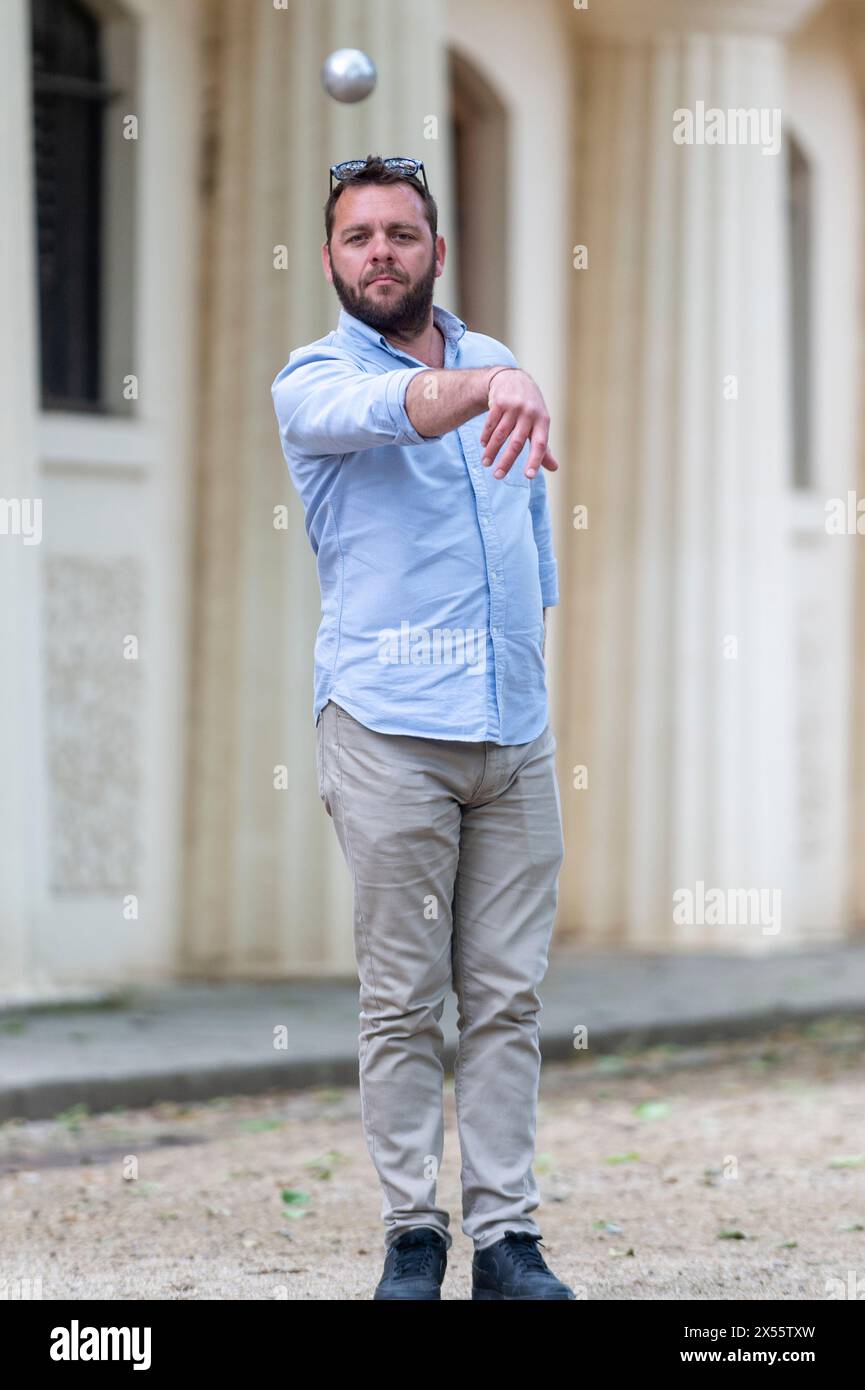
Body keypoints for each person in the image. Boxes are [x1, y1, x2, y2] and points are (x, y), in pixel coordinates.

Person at [271, 155, 573, 1301]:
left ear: (435, 249)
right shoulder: (311, 380)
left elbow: (531, 539)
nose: (382, 252)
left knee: (507, 993)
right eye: (359, 237)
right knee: (403, 996)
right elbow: (395, 410)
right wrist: (498, 386)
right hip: (389, 728)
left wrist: (529, 672)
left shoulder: (496, 365)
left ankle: (507, 1239)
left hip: (513, 729)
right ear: (334, 258)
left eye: (403, 233)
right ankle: (413, 1230)